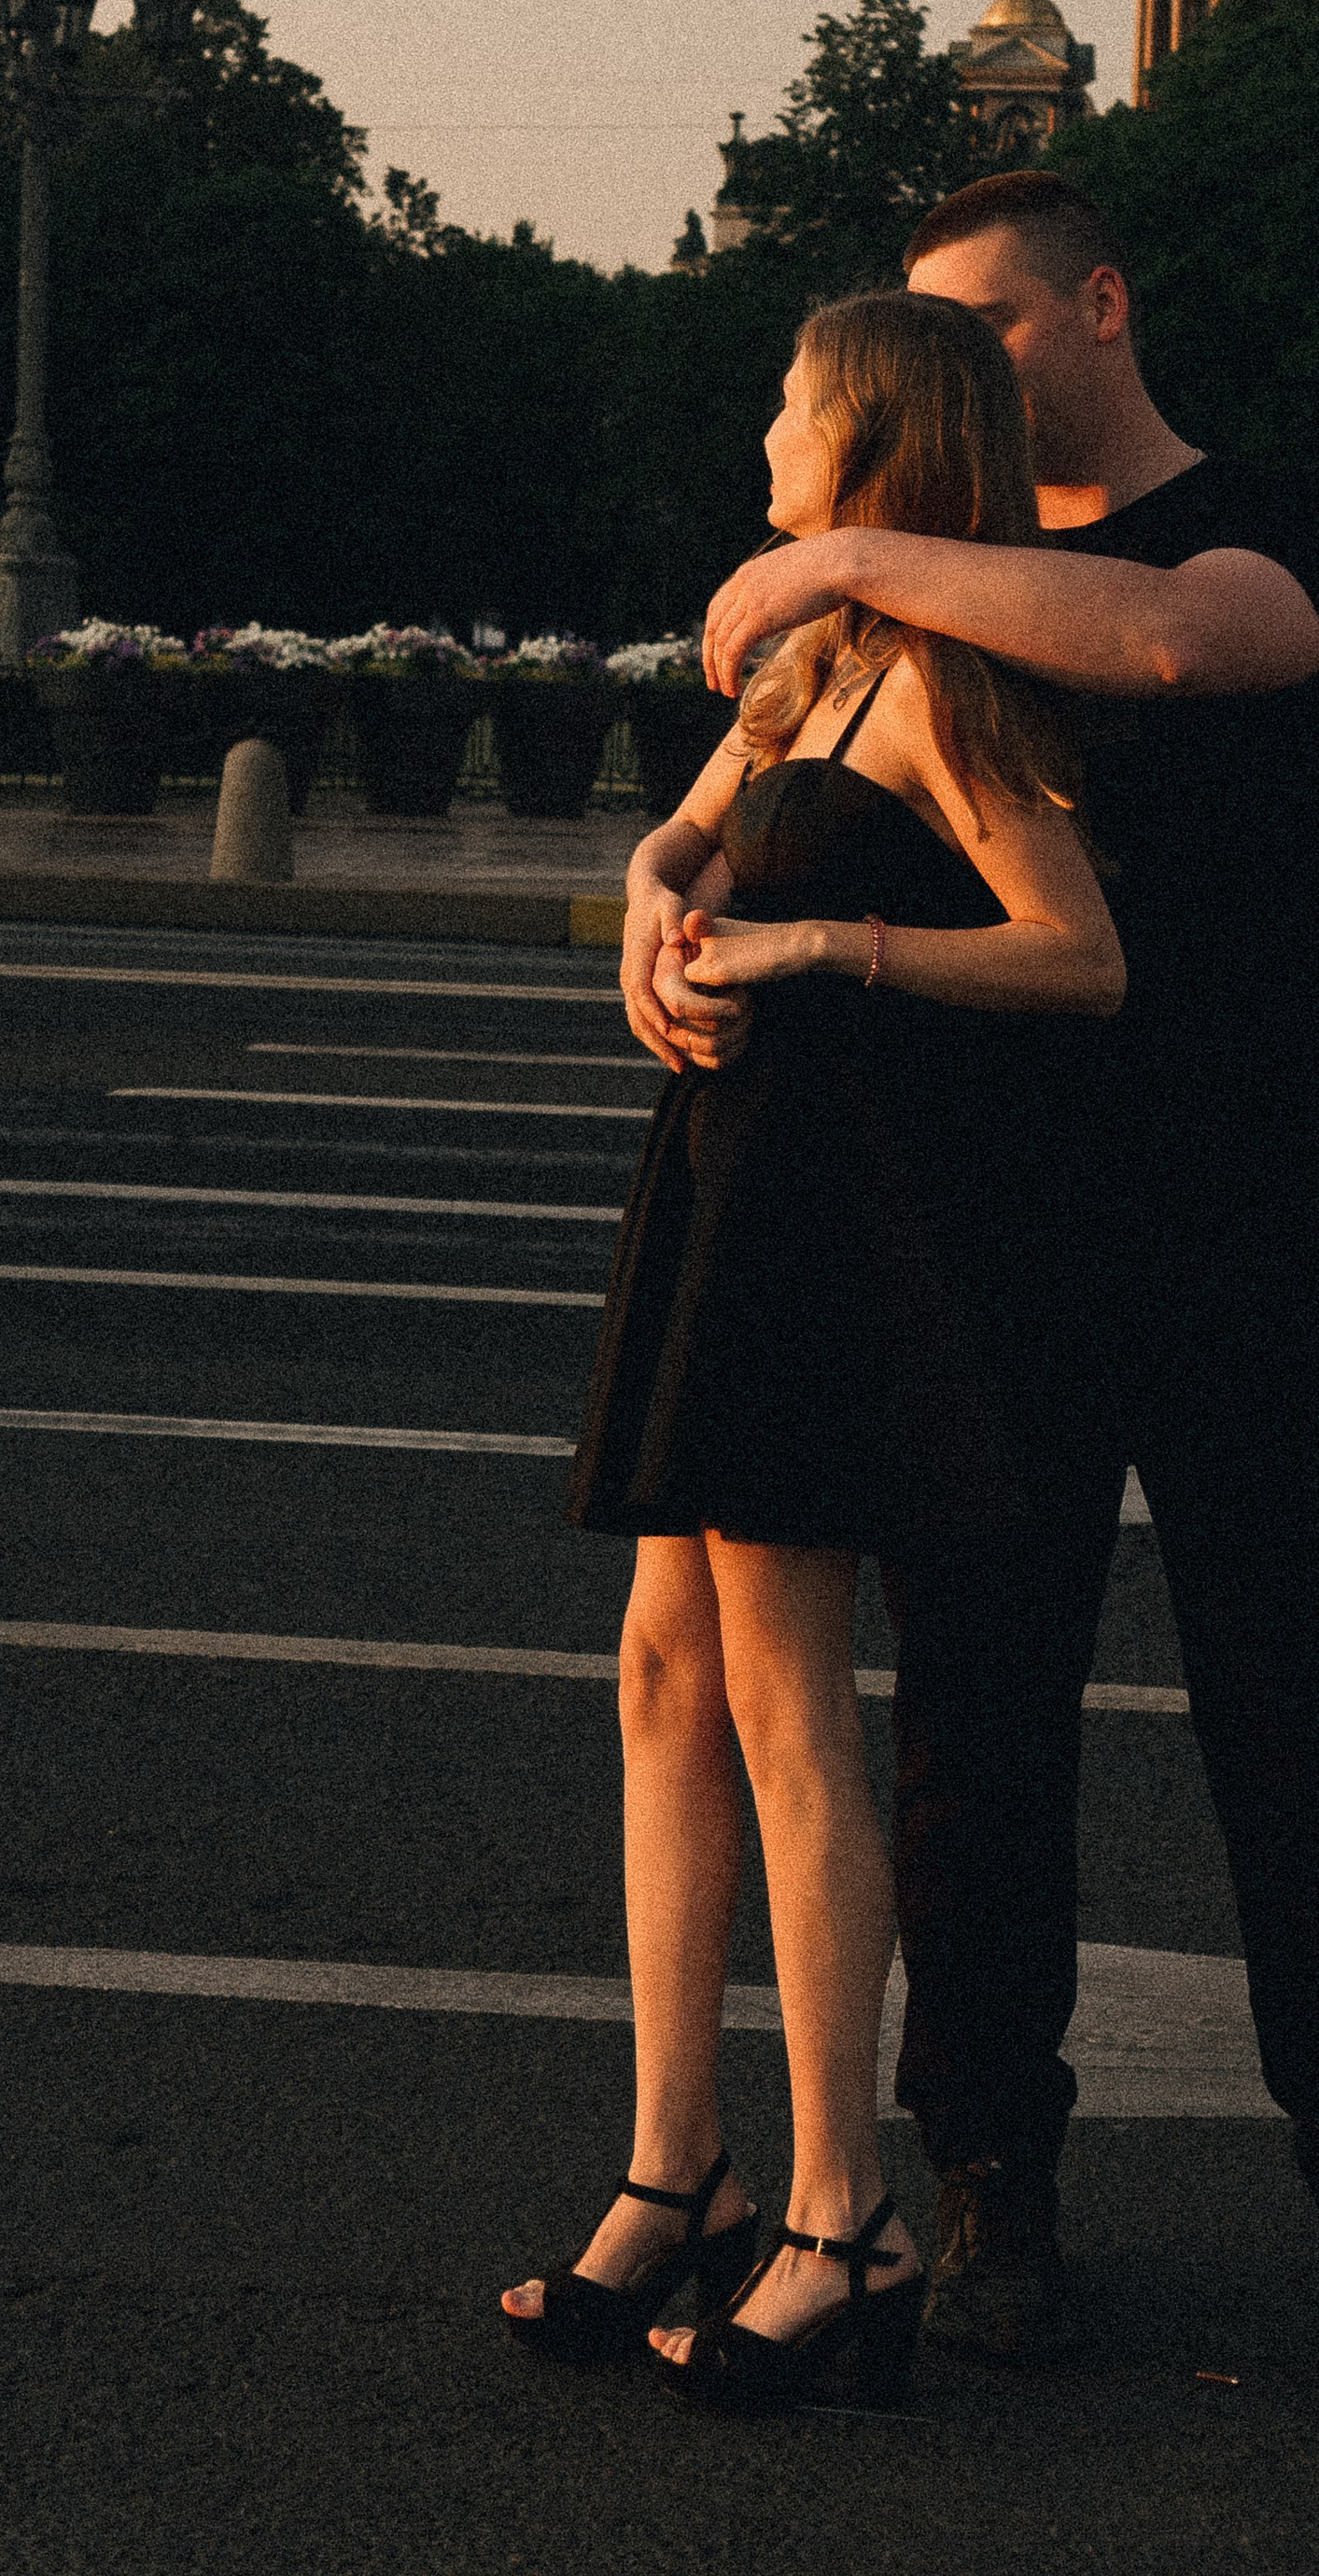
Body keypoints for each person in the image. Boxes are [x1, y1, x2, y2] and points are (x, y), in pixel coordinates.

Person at [667, 172, 1319, 2434]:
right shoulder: (920, 613)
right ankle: (993, 2183)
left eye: (986, 329)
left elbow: (1161, 647)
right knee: (972, 1749)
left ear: (1099, 307)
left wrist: (832, 548)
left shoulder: (1264, 524)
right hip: (981, 1241)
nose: (953, 378)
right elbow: (731, 803)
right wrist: (662, 890)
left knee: (1305, 1739)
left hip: (1249, 1237)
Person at [503, 288, 1124, 2416]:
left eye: (785, 406)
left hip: (834, 1235)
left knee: (781, 1711)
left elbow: (1078, 952)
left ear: (863, 441)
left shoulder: (939, 684)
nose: (760, 433)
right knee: (662, 1673)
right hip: (729, 1190)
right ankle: (672, 2166)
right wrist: (660, 920)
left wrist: (816, 941)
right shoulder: (804, 671)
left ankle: (839, 2213)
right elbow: (681, 827)